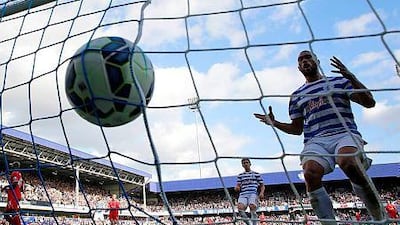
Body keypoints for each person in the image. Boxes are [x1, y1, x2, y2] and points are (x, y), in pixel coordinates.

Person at [254, 50, 384, 225]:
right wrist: (275, 123)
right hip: (316, 141)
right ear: (298, 68)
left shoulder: (339, 81)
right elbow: (296, 129)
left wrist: (352, 77)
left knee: (347, 162)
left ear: (317, 61)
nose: (305, 61)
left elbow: (369, 103)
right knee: (310, 173)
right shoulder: (297, 96)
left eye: (308, 57)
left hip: (344, 133)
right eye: (301, 60)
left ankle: (379, 216)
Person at [234, 158, 265, 225]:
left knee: (252, 206)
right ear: (242, 165)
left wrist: (261, 193)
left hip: (252, 193)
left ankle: (254, 223)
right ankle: (248, 223)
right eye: (244, 163)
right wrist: (237, 188)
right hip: (243, 194)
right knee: (240, 208)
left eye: (247, 162)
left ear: (250, 164)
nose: (245, 164)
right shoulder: (240, 175)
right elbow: (238, 185)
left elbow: (262, 185)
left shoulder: (256, 174)